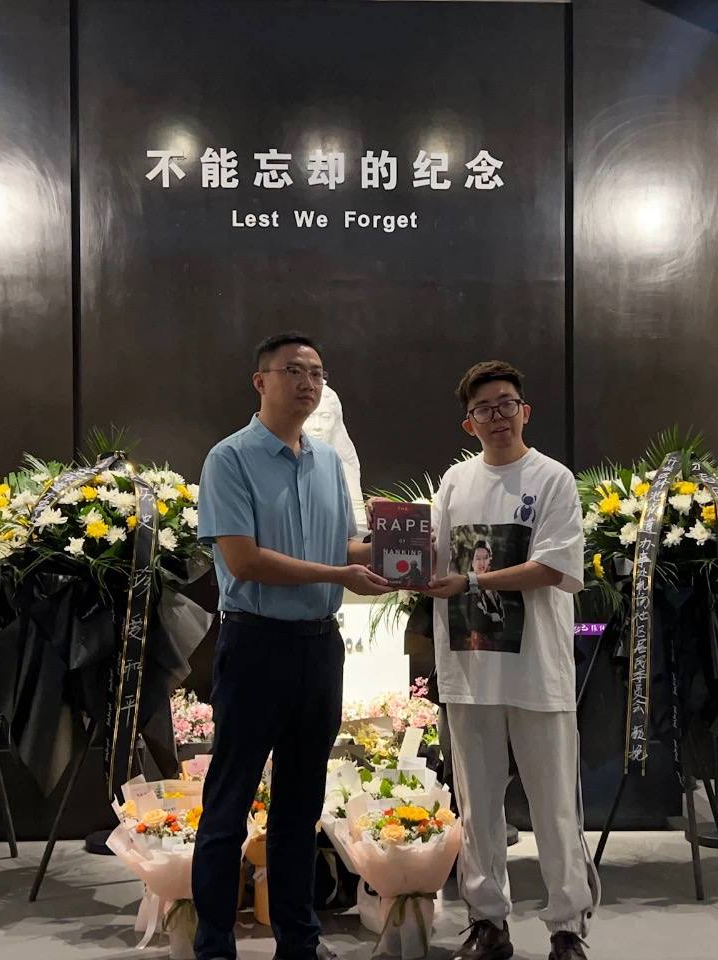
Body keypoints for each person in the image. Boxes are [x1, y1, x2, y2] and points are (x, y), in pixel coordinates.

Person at [193, 332, 394, 960]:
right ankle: (214, 945)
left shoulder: (328, 462)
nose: (309, 383)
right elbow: (245, 561)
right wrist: (340, 573)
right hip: (255, 644)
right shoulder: (229, 459)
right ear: (261, 381)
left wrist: (405, 547)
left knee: (301, 806)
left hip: (319, 648)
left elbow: (343, 549)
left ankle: (299, 942)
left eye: (317, 373)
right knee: (228, 803)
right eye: (294, 370)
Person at [424, 360, 600, 960]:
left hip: (537, 673)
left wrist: (472, 583)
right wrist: (392, 539)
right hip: (469, 671)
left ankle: (567, 928)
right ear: (468, 423)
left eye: (505, 404)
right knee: (478, 808)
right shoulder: (454, 483)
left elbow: (552, 567)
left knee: (554, 807)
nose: (496, 416)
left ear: (525, 411)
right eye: (483, 409)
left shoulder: (552, 479)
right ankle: (487, 923)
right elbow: (431, 558)